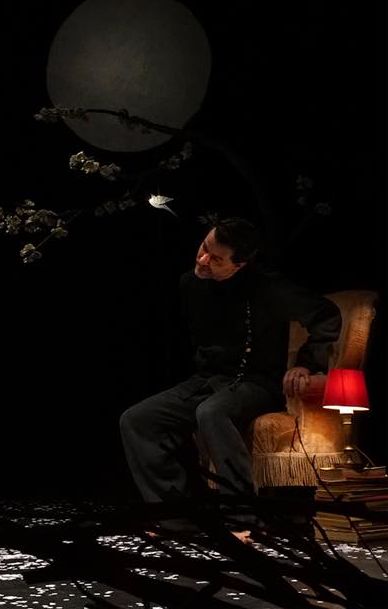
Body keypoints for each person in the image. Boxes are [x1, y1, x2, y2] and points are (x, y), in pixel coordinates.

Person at [119, 217, 341, 543]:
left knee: (212, 412)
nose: (203, 260)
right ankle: (176, 516)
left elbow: (326, 315)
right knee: (138, 419)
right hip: (208, 380)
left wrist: (307, 364)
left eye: (216, 259)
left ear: (239, 264)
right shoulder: (190, 284)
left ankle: (242, 517)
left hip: (256, 382)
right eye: (203, 248)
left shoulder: (268, 287)